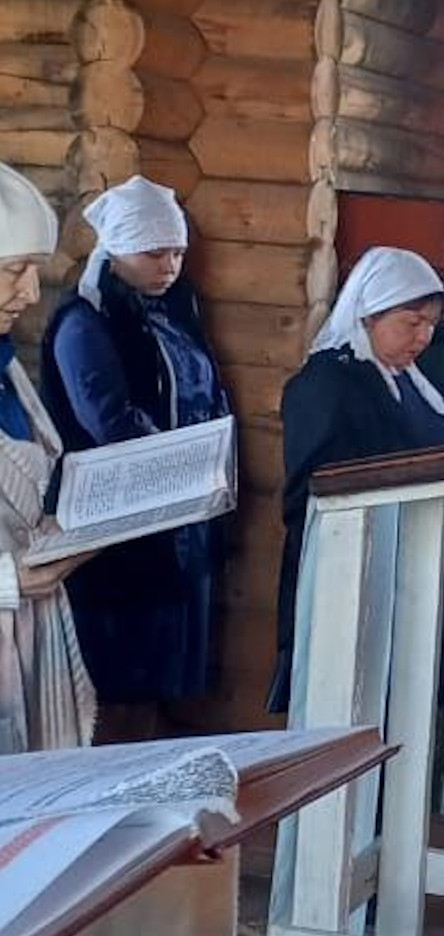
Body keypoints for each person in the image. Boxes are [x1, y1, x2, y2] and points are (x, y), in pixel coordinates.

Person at [40, 175, 230, 741]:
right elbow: (109, 419)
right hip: (114, 528)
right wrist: (180, 465)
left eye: (177, 253)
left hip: (176, 521)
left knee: (155, 683)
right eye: (154, 253)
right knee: (113, 684)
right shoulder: (85, 321)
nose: (169, 265)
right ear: (119, 250)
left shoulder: (174, 311)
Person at [268, 246, 444, 713]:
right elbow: (310, 492)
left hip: (412, 567)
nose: (424, 336)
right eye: (411, 322)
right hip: (348, 575)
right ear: (369, 315)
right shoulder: (325, 385)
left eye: (431, 324)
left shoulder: (414, 383)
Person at [0, 162, 96, 753]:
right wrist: (8, 578)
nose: (32, 293)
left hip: (26, 638)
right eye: (16, 270)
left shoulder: (5, 365)